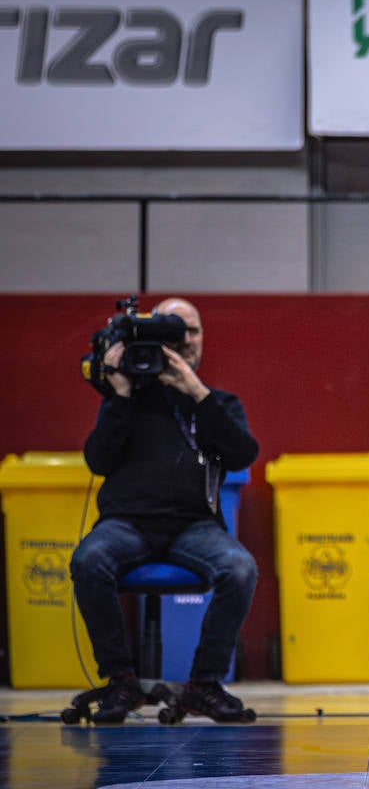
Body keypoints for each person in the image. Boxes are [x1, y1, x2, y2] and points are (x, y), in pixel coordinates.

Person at [70, 297, 259, 723]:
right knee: (88, 560)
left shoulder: (218, 402)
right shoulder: (124, 397)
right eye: (173, 332)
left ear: (202, 340)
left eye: (191, 331)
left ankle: (203, 686)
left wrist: (195, 391)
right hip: (126, 525)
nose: (184, 341)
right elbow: (98, 461)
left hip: (194, 527)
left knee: (240, 568)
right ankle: (121, 682)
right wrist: (119, 396)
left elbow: (243, 454)